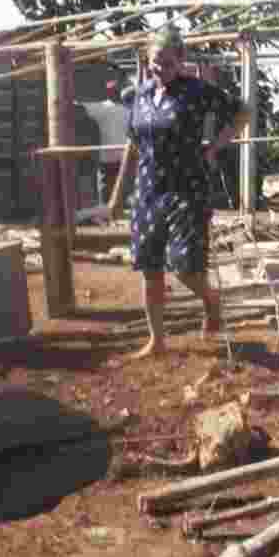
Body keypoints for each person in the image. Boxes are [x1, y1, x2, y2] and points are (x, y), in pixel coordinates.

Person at [126, 26, 250, 358]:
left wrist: (215, 149)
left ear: (181, 60)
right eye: (155, 62)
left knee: (184, 266)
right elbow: (135, 139)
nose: (160, 69)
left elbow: (242, 112)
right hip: (148, 190)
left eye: (167, 63)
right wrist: (124, 188)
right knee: (149, 266)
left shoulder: (196, 91)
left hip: (187, 189)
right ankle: (157, 341)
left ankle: (211, 301)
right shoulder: (139, 94)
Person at [78, 80, 131, 205]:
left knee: (110, 185)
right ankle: (112, 210)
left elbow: (80, 105)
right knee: (114, 184)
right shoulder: (127, 108)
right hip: (122, 154)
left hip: (114, 155)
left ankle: (111, 210)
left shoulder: (102, 107)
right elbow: (81, 105)